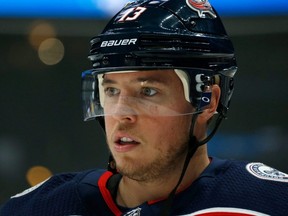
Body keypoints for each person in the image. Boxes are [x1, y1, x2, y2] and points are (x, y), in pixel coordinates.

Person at [1, 0, 288, 215]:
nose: (121, 113)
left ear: (207, 102)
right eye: (111, 90)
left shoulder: (268, 202)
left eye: (147, 91)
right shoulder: (38, 207)